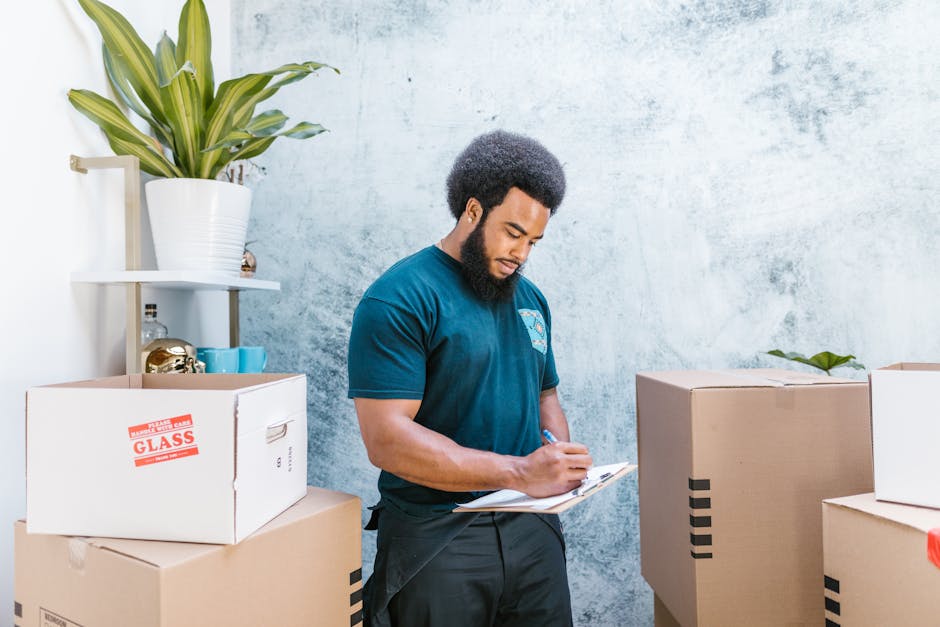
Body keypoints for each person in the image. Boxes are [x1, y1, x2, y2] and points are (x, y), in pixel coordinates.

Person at [347, 130, 592, 627]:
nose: (521, 253)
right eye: (512, 232)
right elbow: (387, 439)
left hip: (532, 531)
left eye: (534, 241)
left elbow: (545, 397)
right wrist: (520, 472)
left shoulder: (531, 300)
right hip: (437, 537)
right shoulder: (400, 297)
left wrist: (557, 457)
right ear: (473, 211)